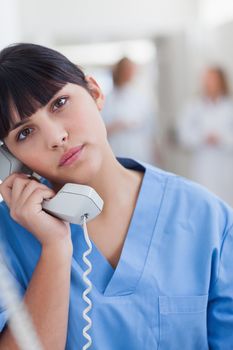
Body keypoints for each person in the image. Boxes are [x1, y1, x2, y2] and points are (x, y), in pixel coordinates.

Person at [0, 44, 232, 350]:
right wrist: (55, 249)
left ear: (94, 91)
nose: (56, 138)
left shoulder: (207, 217)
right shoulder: (8, 237)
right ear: (10, 158)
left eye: (60, 103)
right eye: (25, 133)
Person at [177, 66, 233, 206]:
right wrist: (202, 137)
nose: (207, 83)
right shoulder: (193, 106)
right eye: (205, 79)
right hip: (202, 166)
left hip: (226, 166)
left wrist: (221, 138)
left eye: (211, 79)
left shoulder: (229, 107)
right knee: (204, 204)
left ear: (221, 81)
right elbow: (184, 136)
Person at [102, 57, 157, 164]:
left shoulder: (140, 97)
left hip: (140, 150)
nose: (130, 73)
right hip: (117, 149)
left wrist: (155, 150)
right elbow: (100, 128)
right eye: (126, 69)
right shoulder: (108, 99)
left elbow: (150, 128)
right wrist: (117, 125)